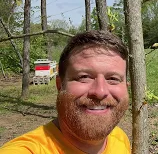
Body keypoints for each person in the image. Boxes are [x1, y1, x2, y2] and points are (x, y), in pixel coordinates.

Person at [0, 30, 131, 154]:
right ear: (59, 85)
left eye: (113, 79)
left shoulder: (120, 138)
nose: (100, 91)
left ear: (126, 87)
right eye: (84, 77)